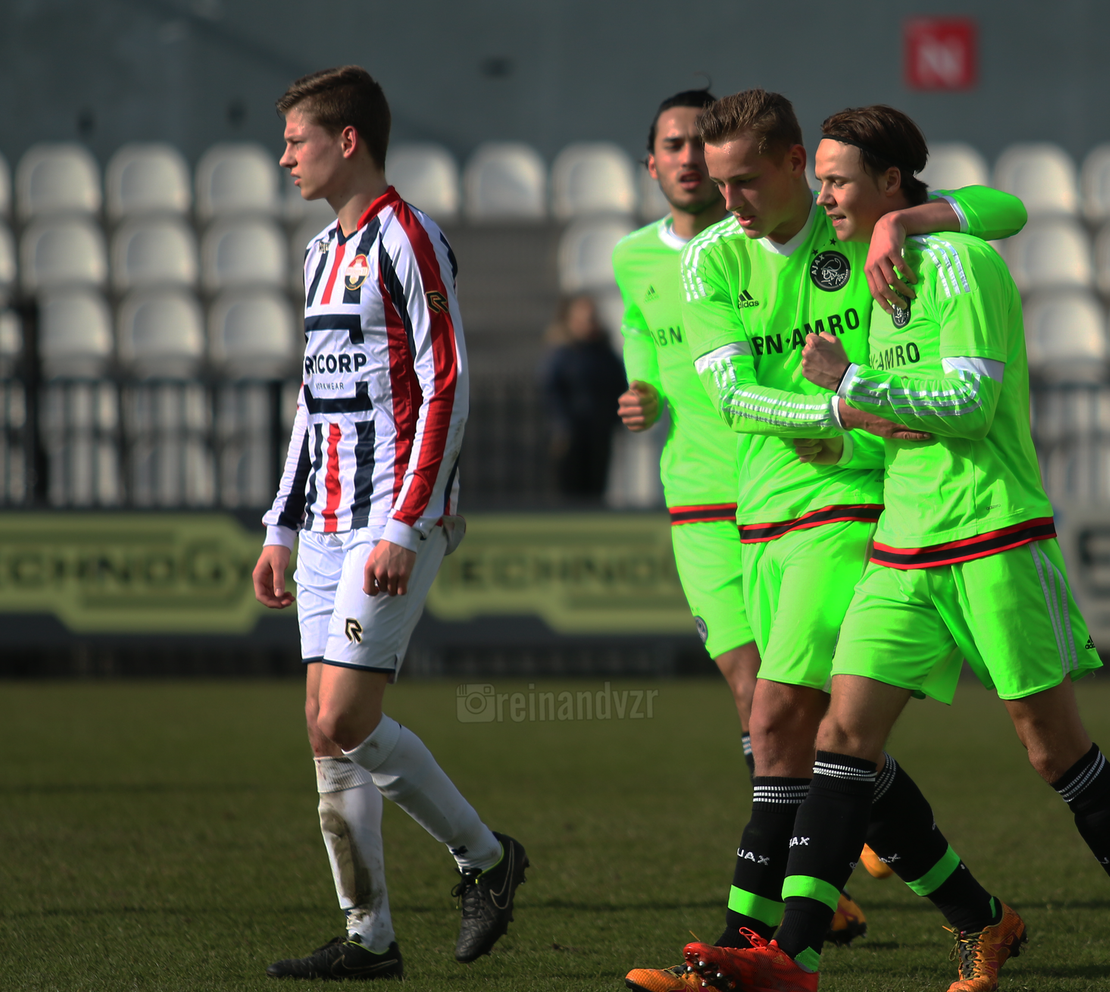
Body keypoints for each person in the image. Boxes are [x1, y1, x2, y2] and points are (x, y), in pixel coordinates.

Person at [688, 105, 1110, 992]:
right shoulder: (874, 275)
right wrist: (846, 419)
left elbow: (968, 405)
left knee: (1052, 749)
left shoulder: (961, 264)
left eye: (838, 180)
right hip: (903, 542)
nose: (823, 195)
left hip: (993, 532)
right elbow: (891, 412)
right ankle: (793, 955)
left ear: (891, 184)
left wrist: (850, 385)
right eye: (820, 179)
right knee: (841, 737)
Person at [633, 89, 1029, 991]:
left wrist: (906, 222)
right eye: (719, 183)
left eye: (744, 181)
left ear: (791, 164)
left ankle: (741, 952)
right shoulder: (710, 260)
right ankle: (977, 913)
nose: (727, 199)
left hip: (853, 508)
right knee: (835, 746)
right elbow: (732, 397)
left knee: (776, 722)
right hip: (759, 520)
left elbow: (1007, 209)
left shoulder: (854, 229)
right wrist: (834, 410)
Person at [252, 65, 526, 980]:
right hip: (325, 519)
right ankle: (369, 937)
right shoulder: (317, 254)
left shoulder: (410, 238)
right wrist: (281, 524)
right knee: (322, 727)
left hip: (389, 512)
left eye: (296, 139)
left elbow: (448, 383)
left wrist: (406, 524)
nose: (285, 156)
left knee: (346, 713)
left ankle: (486, 857)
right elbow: (313, 403)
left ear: (347, 140)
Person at [543, 294, 628, 499]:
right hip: (571, 437)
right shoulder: (562, 355)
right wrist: (563, 425)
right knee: (569, 492)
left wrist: (614, 420)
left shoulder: (605, 355)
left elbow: (619, 386)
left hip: (599, 434)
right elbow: (552, 391)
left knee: (596, 491)